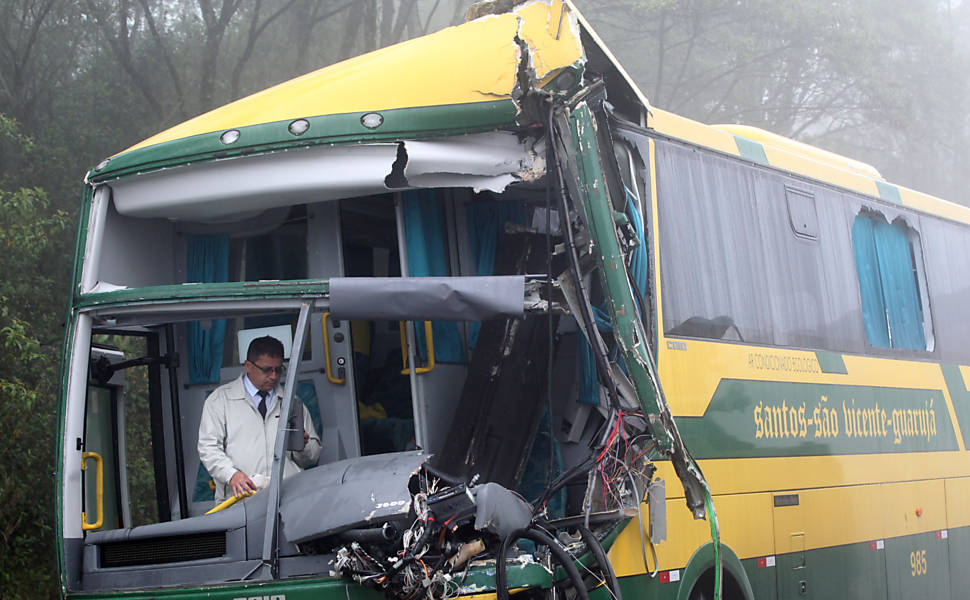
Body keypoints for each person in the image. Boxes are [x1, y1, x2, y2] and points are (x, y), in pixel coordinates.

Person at [198, 335, 321, 501]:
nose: (274, 376)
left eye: (278, 370)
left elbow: (312, 457)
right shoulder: (220, 400)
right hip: (240, 500)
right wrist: (231, 475)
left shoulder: (291, 402)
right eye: (266, 369)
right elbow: (208, 448)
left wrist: (302, 446)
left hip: (287, 500)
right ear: (248, 366)